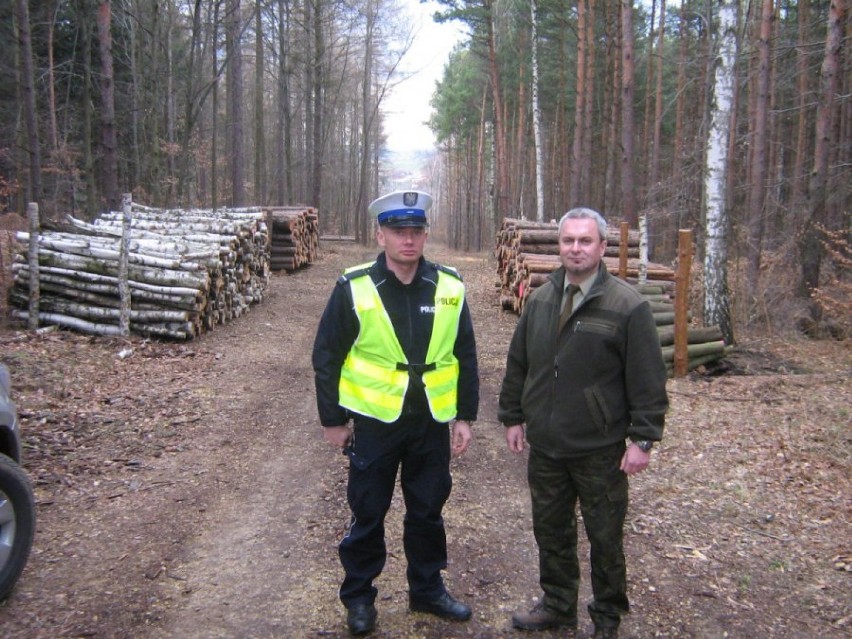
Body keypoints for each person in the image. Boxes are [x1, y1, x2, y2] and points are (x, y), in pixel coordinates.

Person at [312, 190, 479, 637]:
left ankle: (427, 589)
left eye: (416, 231)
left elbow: (465, 354)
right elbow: (327, 353)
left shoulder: (449, 286)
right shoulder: (355, 286)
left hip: (429, 420)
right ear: (380, 234)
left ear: (425, 234)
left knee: (427, 511)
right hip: (375, 421)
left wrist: (464, 415)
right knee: (368, 512)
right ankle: (360, 597)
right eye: (398, 231)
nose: (408, 240)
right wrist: (332, 419)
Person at [498, 207, 668, 639]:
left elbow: (647, 378)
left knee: (605, 538)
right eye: (568, 240)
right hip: (548, 446)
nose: (575, 248)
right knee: (551, 531)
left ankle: (607, 616)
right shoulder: (540, 298)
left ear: (602, 246)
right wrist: (513, 416)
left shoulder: (627, 305)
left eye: (584, 240)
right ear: (559, 246)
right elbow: (520, 363)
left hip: (600, 450)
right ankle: (557, 605)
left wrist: (643, 439)